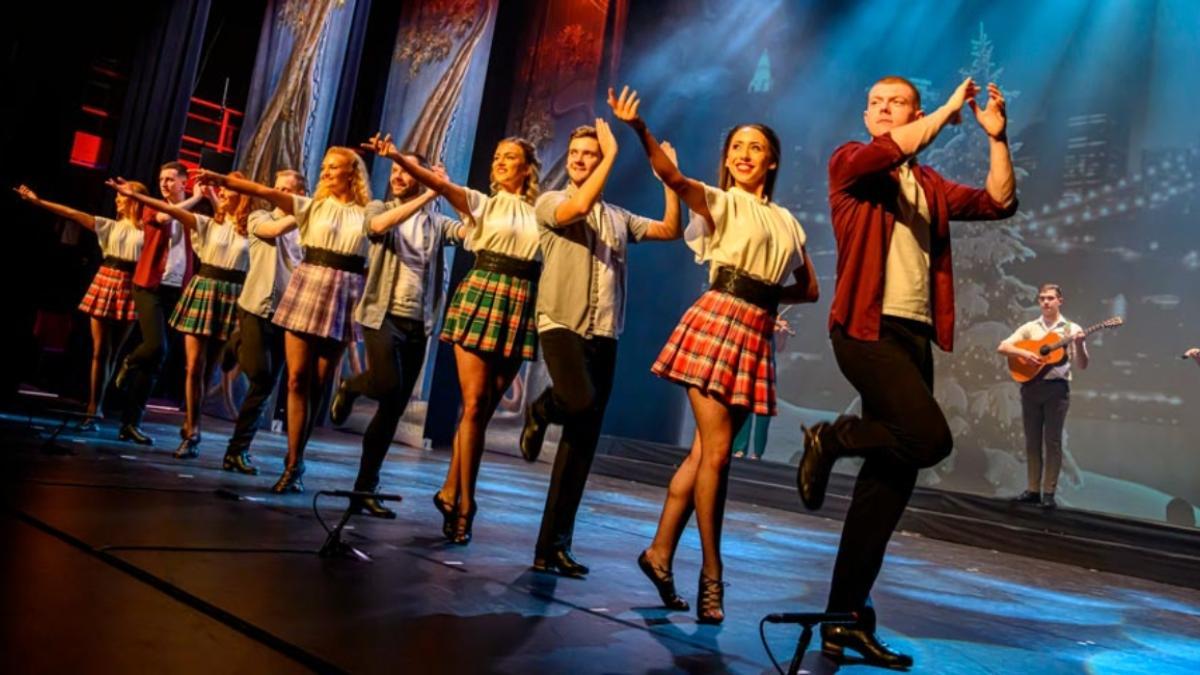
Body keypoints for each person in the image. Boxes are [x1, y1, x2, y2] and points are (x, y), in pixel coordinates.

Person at [797, 75, 1017, 667]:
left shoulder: (929, 185)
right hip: (866, 331)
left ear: (912, 110)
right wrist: (947, 111)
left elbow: (998, 202)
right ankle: (831, 436)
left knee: (885, 491)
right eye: (876, 103)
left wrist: (996, 138)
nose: (885, 110)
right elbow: (893, 149)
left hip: (913, 338)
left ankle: (843, 622)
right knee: (929, 438)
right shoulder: (852, 163)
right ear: (867, 116)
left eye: (897, 103)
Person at [611, 86, 818, 623]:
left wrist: (768, 295)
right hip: (718, 319)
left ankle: (659, 554)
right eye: (737, 147)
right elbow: (674, 179)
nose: (744, 154)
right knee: (720, 454)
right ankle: (712, 573)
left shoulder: (790, 222)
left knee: (705, 455)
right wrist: (640, 130)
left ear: (771, 161)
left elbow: (810, 288)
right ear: (727, 159)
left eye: (756, 148)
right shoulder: (721, 201)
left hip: (754, 330)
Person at [197, 147, 430, 493]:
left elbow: (388, 227)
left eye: (333, 167)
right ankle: (292, 465)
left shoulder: (368, 211)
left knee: (318, 385)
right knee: (295, 380)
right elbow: (265, 192)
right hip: (307, 284)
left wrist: (430, 191)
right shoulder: (311, 205)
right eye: (323, 167)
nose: (325, 172)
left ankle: (299, 456)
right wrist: (220, 181)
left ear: (352, 173)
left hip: (344, 291)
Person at [519, 119, 682, 578]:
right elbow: (577, 208)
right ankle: (541, 409)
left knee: (581, 445)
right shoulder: (552, 201)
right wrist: (613, 154)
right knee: (578, 400)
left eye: (590, 154)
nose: (580, 159)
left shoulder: (617, 217)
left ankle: (552, 546)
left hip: (605, 332)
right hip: (562, 322)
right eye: (577, 154)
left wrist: (668, 178)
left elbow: (671, 229)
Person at [371, 133, 542, 545]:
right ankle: (466, 503)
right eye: (497, 156)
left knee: (482, 412)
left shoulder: (543, 211)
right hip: (482, 292)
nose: (500, 162)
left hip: (519, 301)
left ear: (526, 169)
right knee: (473, 405)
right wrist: (396, 156)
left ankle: (449, 491)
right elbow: (440, 186)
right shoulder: (481, 202)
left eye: (510, 158)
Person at [328, 148, 463, 519]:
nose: (399, 177)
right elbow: (376, 227)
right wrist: (430, 193)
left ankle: (364, 488)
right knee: (386, 385)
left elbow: (471, 229)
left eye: (408, 172)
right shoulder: (378, 207)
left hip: (417, 323)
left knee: (391, 411)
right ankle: (352, 386)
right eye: (396, 171)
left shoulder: (436, 223)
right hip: (382, 314)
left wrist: (447, 189)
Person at [110, 174, 255, 458]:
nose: (223, 193)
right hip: (203, 289)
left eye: (229, 189)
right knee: (193, 367)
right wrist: (135, 195)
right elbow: (169, 211)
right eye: (221, 190)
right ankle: (192, 431)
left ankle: (194, 424)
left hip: (233, 295)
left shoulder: (252, 226)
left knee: (210, 367)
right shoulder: (206, 222)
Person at [15, 181, 149, 428]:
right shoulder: (109, 226)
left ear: (134, 200)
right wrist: (38, 202)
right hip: (106, 279)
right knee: (100, 351)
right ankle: (92, 408)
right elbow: (72, 213)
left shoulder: (149, 231)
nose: (117, 200)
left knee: (114, 353)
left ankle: (100, 404)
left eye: (122, 196)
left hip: (131, 287)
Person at [221, 169, 306, 475]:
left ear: (298, 193)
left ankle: (237, 451)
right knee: (260, 373)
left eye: (286, 190)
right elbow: (274, 232)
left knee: (265, 385)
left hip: (287, 315)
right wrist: (306, 211)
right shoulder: (260, 217)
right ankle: (236, 342)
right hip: (256, 308)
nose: (277, 193)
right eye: (276, 187)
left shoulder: (306, 229)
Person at [114, 161, 204, 445]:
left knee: (158, 359)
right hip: (148, 286)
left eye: (170, 179)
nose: (164, 184)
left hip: (176, 290)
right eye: (161, 179)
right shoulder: (153, 206)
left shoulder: (195, 215)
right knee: (155, 346)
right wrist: (198, 197)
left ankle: (131, 422)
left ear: (183, 183)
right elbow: (166, 217)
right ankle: (129, 360)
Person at [997, 283, 1088, 510]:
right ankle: (1032, 490)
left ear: (1060, 301)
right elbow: (1003, 346)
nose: (1045, 302)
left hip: (1057, 389)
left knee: (1053, 442)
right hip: (1031, 387)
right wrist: (1024, 353)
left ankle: (1049, 492)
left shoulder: (1070, 329)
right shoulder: (1030, 327)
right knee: (1032, 441)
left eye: (1050, 298)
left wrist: (1080, 344)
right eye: (1042, 298)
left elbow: (1082, 365)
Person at [732, 316, 792, 460]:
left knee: (764, 410)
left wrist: (781, 334)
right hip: (747, 360)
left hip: (766, 365)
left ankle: (758, 452)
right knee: (743, 404)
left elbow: (779, 347)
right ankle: (739, 448)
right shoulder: (752, 310)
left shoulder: (775, 316)